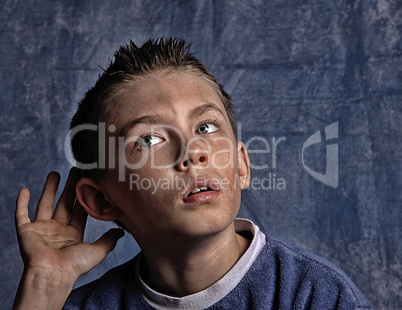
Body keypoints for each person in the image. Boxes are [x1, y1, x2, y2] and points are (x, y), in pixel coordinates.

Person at [13, 38, 373, 310]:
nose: (192, 153)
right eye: (150, 138)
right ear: (102, 199)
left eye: (205, 128)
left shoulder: (313, 295)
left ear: (241, 165)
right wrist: (43, 286)